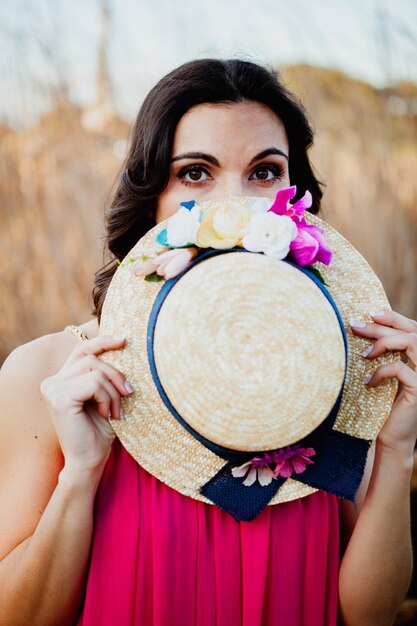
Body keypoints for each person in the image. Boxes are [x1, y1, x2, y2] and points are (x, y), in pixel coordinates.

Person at [0, 58, 415, 626]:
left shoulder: (339, 371)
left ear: (298, 199)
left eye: (265, 171)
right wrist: (80, 474)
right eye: (196, 172)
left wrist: (393, 452)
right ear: (152, 196)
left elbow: (369, 614)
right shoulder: (46, 375)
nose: (235, 204)